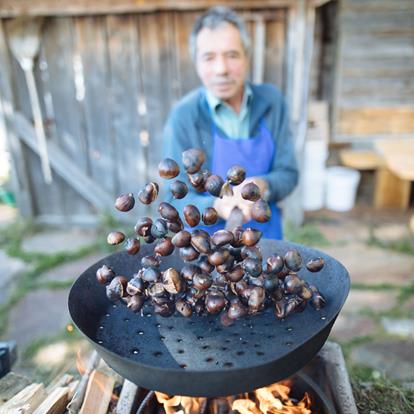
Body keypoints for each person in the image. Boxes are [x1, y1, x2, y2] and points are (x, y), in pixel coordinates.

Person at [163, 6, 298, 239]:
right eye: (209, 57)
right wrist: (217, 205)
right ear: (196, 63)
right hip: (205, 250)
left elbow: (288, 173)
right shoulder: (184, 116)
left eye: (232, 55)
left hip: (266, 241)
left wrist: (263, 185)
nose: (221, 69)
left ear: (246, 58)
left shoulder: (272, 102)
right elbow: (173, 197)